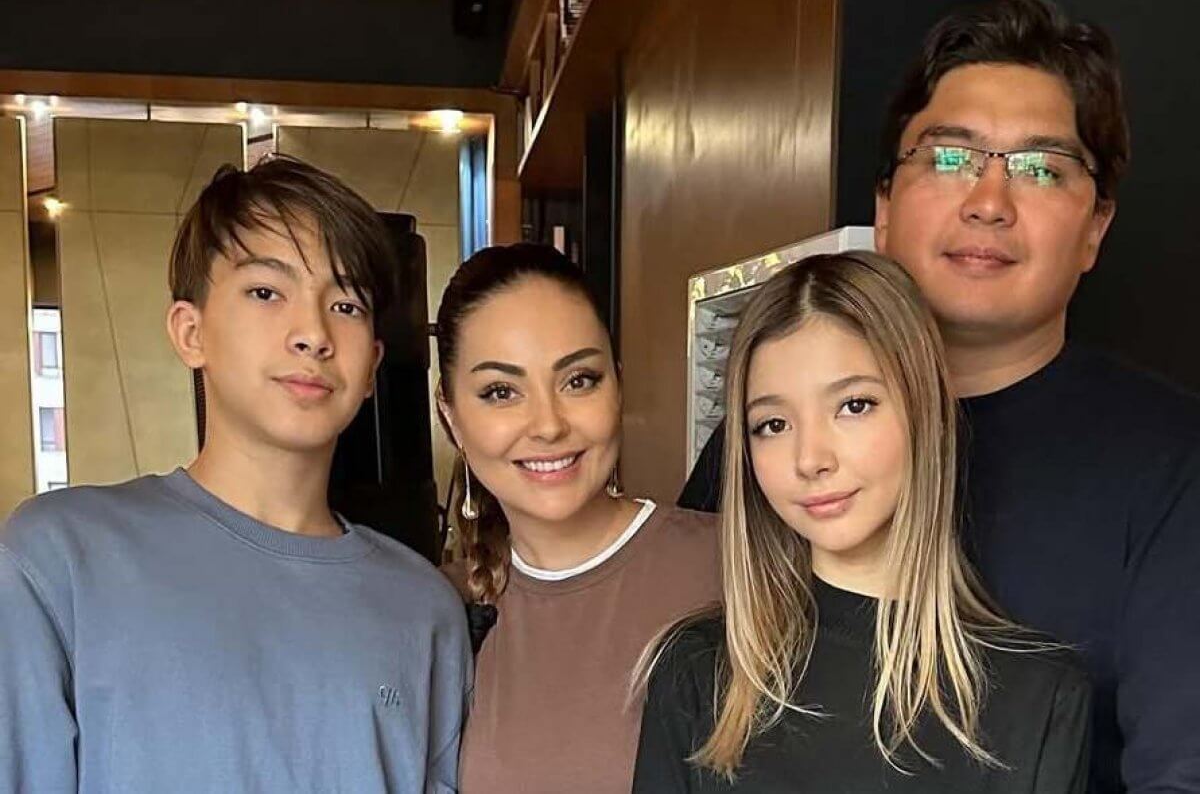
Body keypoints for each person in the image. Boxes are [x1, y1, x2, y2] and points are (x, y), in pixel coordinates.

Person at [679, 0, 1200, 792]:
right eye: (951, 157)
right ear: (884, 207)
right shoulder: (768, 447)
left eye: (1040, 168)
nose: (989, 201)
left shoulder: (1172, 465)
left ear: (1095, 227)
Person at [0, 156, 471, 793]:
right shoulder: (61, 557)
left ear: (371, 367)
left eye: (345, 305)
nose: (313, 334)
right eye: (266, 292)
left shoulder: (423, 608)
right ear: (190, 331)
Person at [636, 252, 1090, 792]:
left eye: (853, 405)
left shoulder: (1040, 697)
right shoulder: (699, 672)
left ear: (924, 411)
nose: (811, 458)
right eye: (773, 424)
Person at [434, 243, 720, 794]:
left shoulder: (733, 566)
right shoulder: (437, 611)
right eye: (501, 392)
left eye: (579, 380)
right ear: (451, 415)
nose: (548, 425)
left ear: (618, 384)